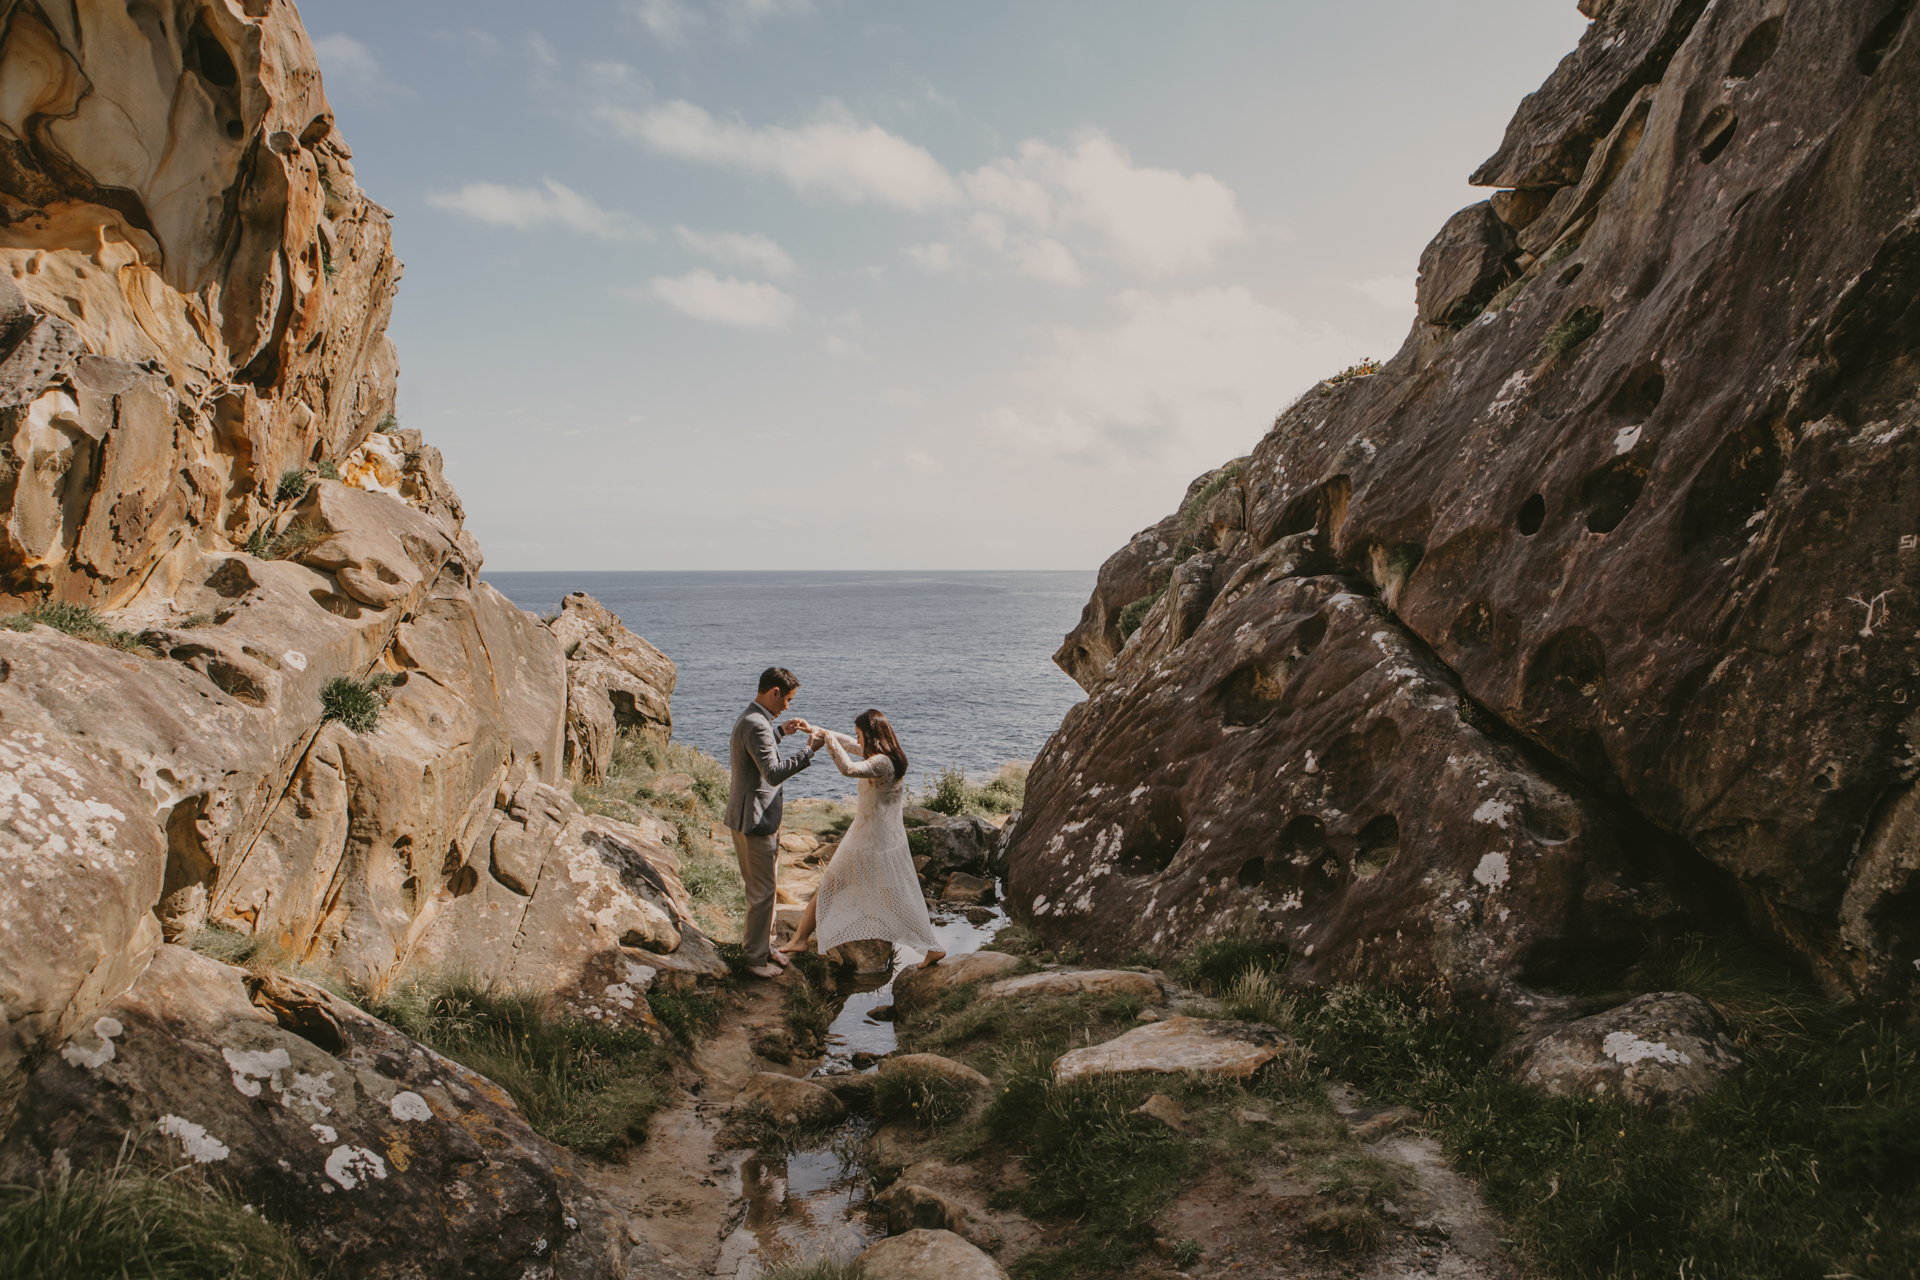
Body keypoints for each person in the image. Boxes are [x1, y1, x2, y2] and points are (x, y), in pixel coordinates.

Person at [778, 708, 945, 971]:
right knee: (890, 893)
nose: (858, 741)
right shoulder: (890, 757)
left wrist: (826, 739)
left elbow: (848, 768)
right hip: (878, 838)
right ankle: (933, 948)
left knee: (832, 886)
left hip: (868, 841)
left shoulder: (881, 764)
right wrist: (815, 730)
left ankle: (799, 939)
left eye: (860, 735)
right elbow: (850, 746)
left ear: (872, 735)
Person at [726, 666, 826, 979]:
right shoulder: (756, 724)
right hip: (754, 820)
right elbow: (772, 772)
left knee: (765, 890)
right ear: (774, 693)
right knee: (762, 894)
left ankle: (766, 946)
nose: (787, 706)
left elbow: (758, 751)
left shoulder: (753, 719)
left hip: (750, 817)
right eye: (787, 700)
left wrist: (781, 732)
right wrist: (809, 749)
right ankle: (755, 960)